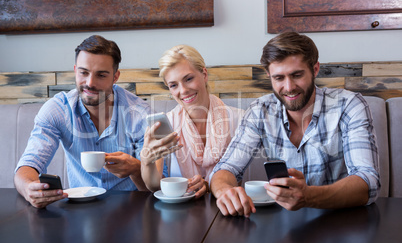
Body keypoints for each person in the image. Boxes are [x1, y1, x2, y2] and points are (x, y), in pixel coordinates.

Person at [209, 32, 381, 217]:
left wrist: (309, 197)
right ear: (269, 76)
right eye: (279, 78)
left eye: (297, 75)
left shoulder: (349, 105)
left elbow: (368, 182)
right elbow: (225, 169)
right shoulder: (260, 110)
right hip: (283, 229)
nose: (289, 87)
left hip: (342, 222)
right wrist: (225, 191)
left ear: (315, 69)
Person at [14, 35, 151, 208]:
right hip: (78, 210)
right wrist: (29, 188)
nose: (90, 83)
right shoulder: (58, 109)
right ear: (75, 70)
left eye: (101, 75)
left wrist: (136, 170)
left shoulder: (140, 114)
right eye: (83, 72)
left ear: (115, 77)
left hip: (132, 210)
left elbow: (156, 187)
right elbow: (28, 164)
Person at [140, 45, 243, 198]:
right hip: (181, 212)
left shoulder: (238, 119)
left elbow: (238, 178)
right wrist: (146, 160)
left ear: (204, 74)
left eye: (188, 79)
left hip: (227, 205)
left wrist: (208, 186)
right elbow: (154, 186)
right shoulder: (166, 123)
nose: (183, 91)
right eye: (174, 85)